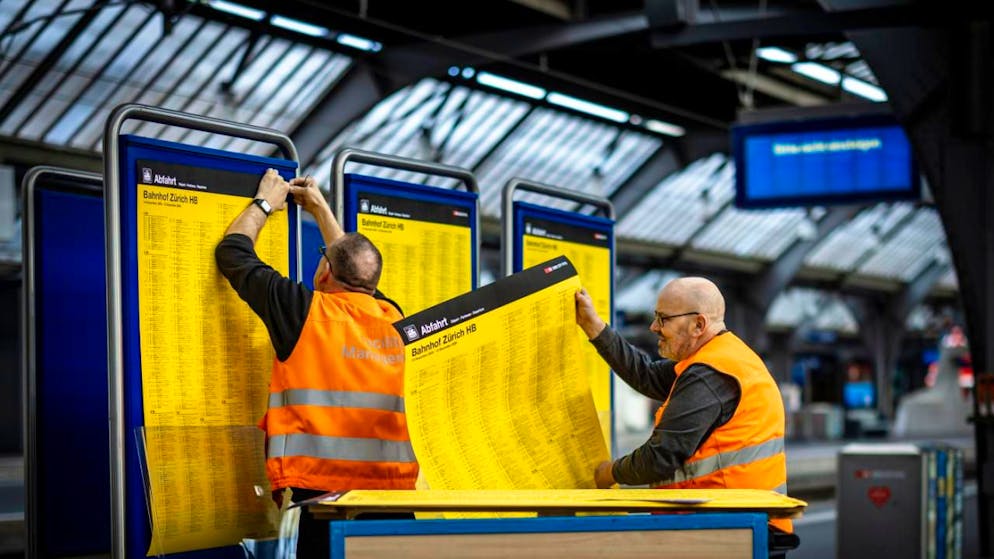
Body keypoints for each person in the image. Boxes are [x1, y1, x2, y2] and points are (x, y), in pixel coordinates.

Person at [215, 169, 418, 557]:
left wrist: (264, 203)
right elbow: (355, 268)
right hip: (394, 506)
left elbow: (233, 253)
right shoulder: (396, 320)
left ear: (324, 271)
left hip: (325, 505)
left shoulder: (303, 311)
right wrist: (321, 209)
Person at [574, 276, 792, 534]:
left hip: (732, 529)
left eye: (663, 318)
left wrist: (607, 473)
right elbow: (647, 374)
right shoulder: (720, 358)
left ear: (698, 324)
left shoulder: (710, 374)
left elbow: (661, 456)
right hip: (737, 524)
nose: (654, 327)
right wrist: (594, 326)